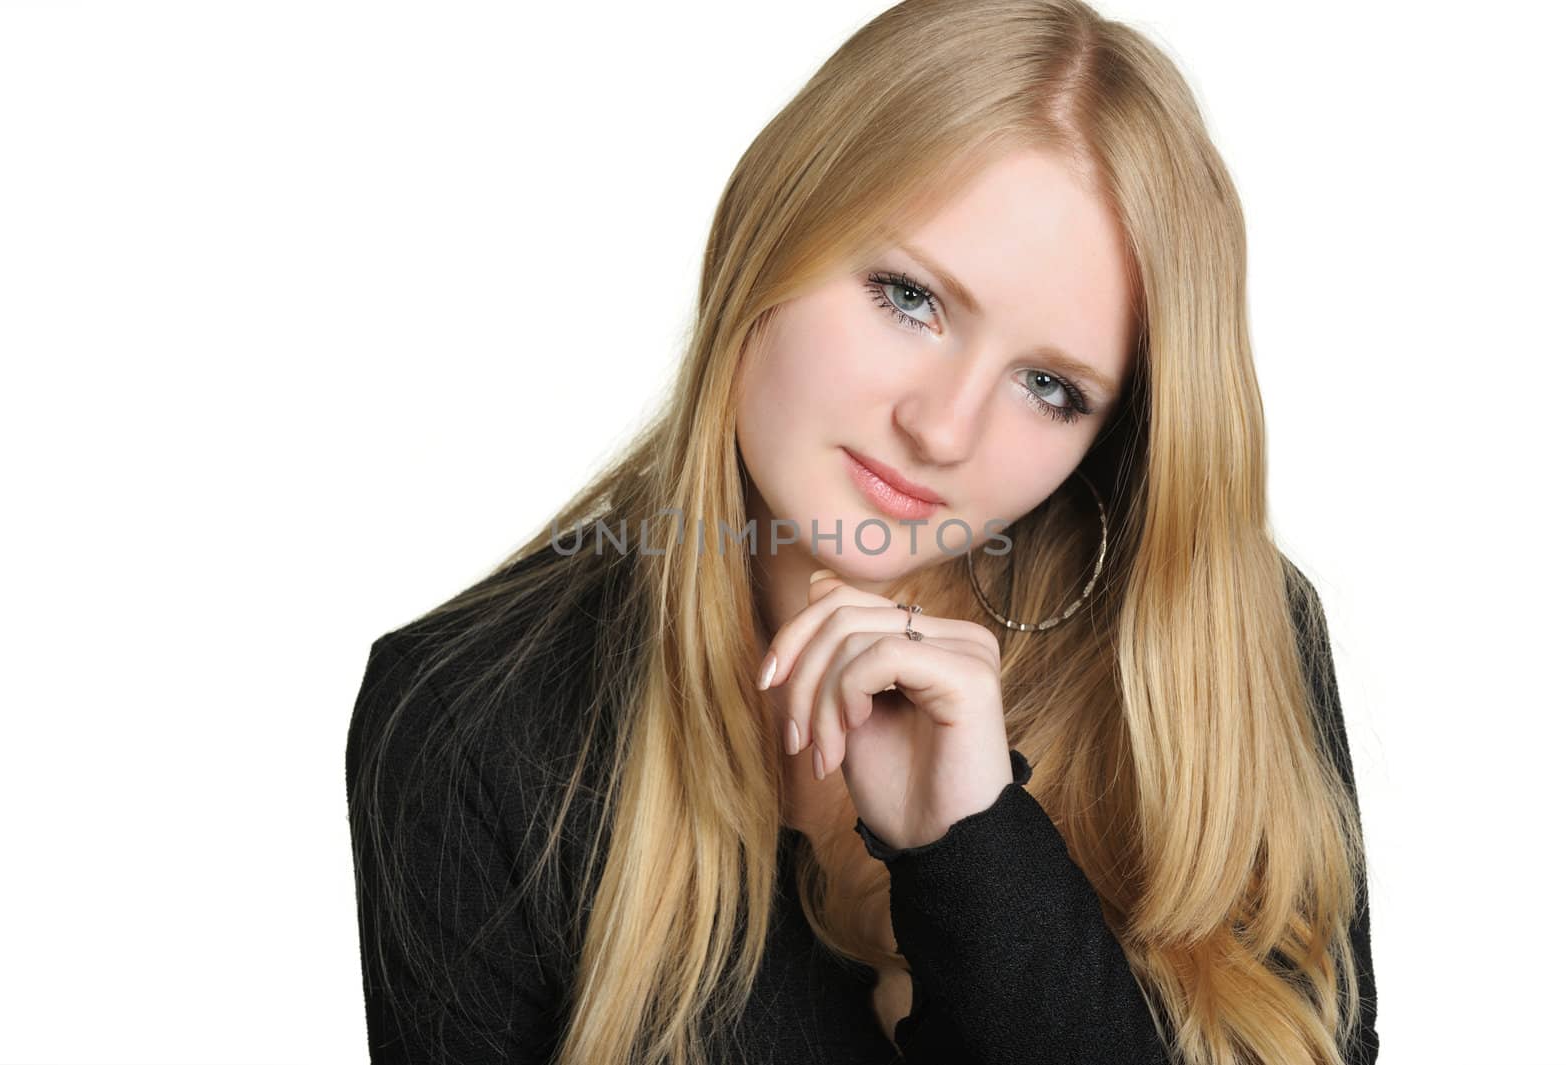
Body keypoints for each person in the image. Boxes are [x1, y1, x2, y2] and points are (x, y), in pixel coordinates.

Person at [343, 0, 1380, 1061]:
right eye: (908, 297)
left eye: (1048, 387)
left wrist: (975, 854)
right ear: (772, 230)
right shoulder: (475, 719)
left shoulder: (1214, 641)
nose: (940, 429)